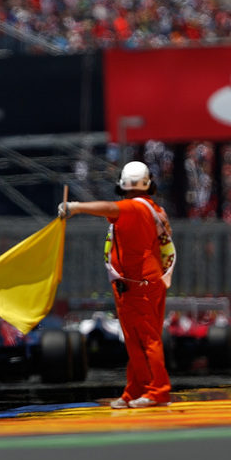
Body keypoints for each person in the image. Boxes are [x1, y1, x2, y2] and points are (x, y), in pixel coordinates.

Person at [58, 160, 172, 408]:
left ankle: (158, 391)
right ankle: (136, 389)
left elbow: (110, 207)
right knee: (135, 339)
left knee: (145, 339)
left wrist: (76, 207)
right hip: (135, 282)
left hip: (138, 283)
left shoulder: (135, 208)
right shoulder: (152, 209)